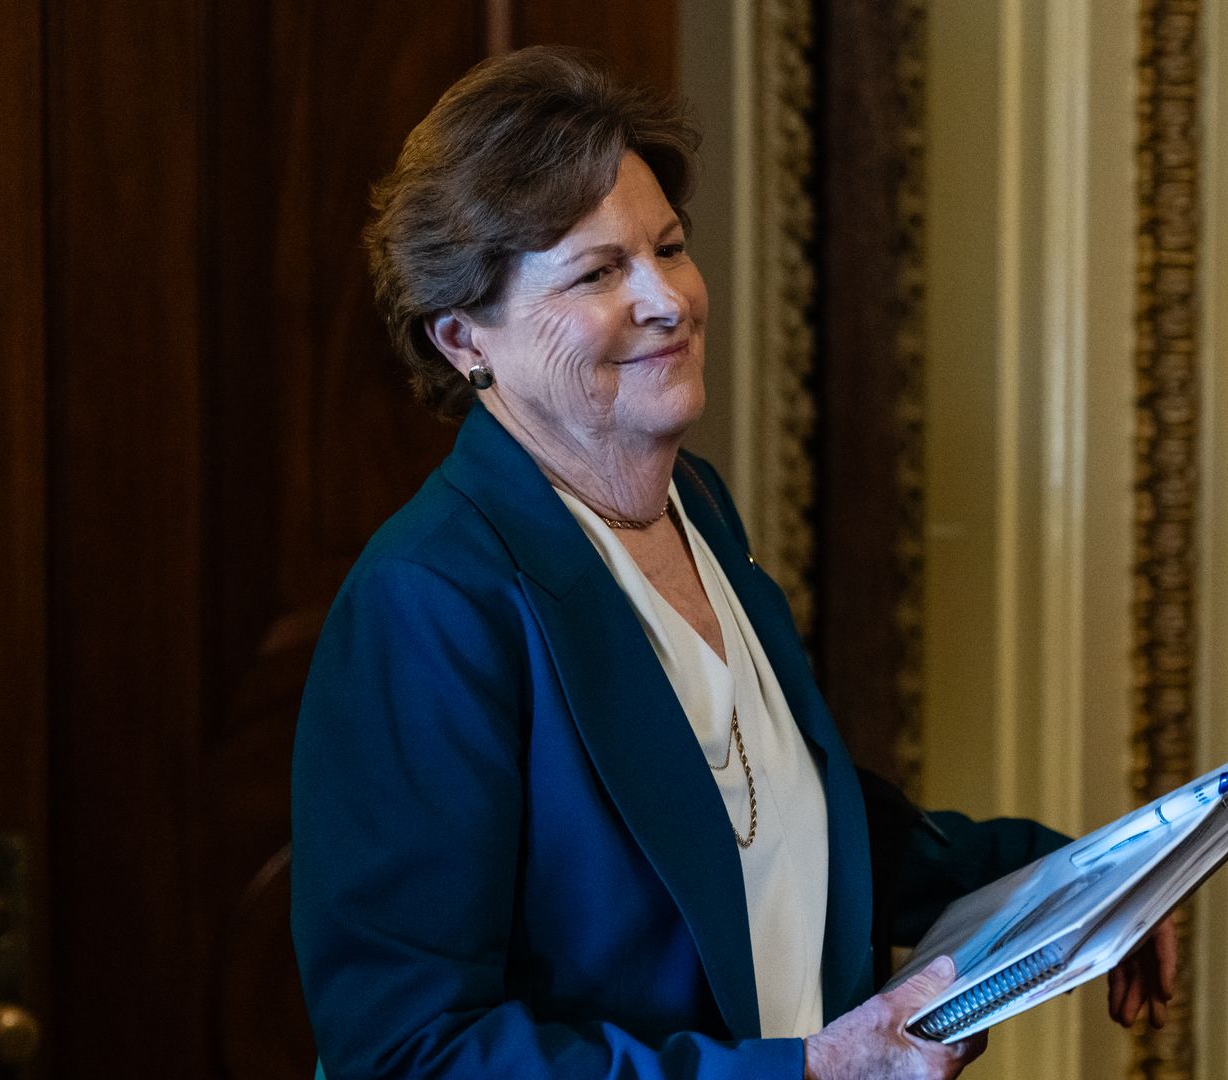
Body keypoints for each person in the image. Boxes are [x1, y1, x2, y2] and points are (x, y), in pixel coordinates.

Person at [290, 45, 1176, 1080]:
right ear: (462, 339)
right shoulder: (428, 602)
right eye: (596, 272)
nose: (667, 299)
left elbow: (789, 825)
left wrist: (1078, 881)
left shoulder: (696, 507)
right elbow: (406, 1052)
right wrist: (797, 1073)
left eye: (669, 248)